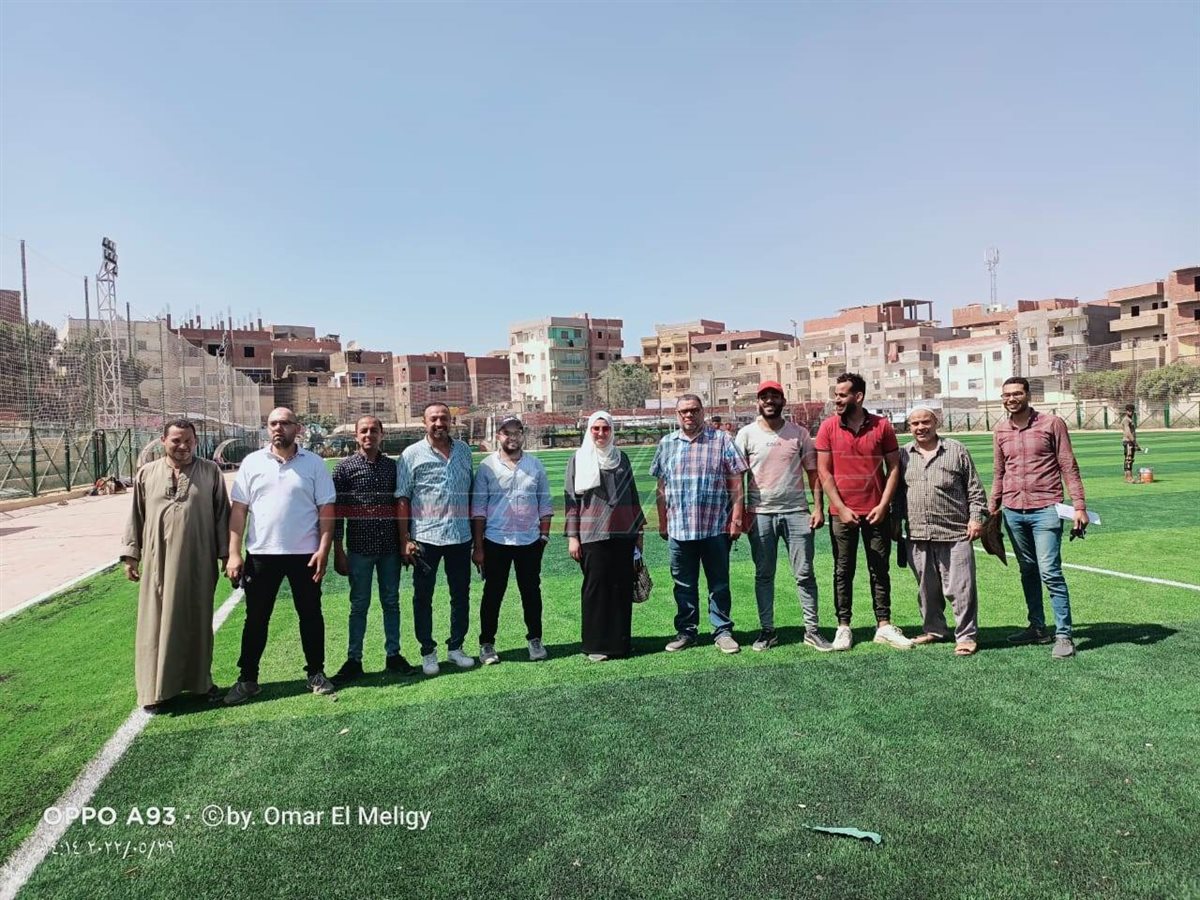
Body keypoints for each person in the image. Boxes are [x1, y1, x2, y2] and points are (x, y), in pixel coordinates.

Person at [224, 408, 338, 704]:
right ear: (267, 428)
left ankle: (316, 673)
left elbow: (326, 510)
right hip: (262, 554)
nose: (278, 428)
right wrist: (234, 553)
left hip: (305, 555)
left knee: (310, 615)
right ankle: (248, 679)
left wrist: (323, 549)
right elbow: (239, 511)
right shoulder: (252, 462)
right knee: (256, 618)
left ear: (297, 429)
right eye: (273, 423)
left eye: (285, 423)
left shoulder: (314, 464)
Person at [121, 420, 229, 712]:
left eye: (189, 441)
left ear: (196, 441)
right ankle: (155, 691)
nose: (183, 446)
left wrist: (227, 555)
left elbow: (223, 514)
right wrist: (131, 555)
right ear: (163, 441)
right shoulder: (147, 473)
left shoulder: (210, 471)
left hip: (199, 560)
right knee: (154, 623)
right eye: (176, 441)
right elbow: (136, 516)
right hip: (158, 562)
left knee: (198, 620)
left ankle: (200, 683)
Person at [991, 377, 1088, 659]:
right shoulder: (1000, 430)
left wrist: (1079, 506)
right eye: (1006, 395)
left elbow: (1068, 465)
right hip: (1012, 510)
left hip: (1046, 508)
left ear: (1028, 395)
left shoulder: (1052, 423)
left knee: (1050, 572)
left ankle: (1064, 635)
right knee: (1028, 570)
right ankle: (1037, 627)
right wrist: (993, 508)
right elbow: (999, 472)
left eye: (1017, 393)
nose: (1011, 399)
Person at [815, 373, 912, 651]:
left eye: (842, 394)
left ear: (858, 397)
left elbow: (894, 468)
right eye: (836, 394)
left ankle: (884, 625)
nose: (837, 399)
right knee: (843, 570)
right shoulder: (828, 427)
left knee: (879, 569)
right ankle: (843, 627)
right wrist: (841, 508)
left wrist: (884, 505)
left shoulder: (882, 426)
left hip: (876, 512)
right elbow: (824, 472)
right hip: (841, 513)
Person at [734, 381, 830, 652]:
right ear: (758, 402)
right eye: (764, 397)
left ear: (783, 401)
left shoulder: (799, 433)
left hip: (796, 513)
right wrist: (740, 512)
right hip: (760, 514)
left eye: (774, 396)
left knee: (805, 574)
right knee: (764, 575)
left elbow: (813, 473)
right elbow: (737, 477)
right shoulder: (746, 434)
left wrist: (818, 507)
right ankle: (768, 631)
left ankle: (812, 630)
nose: (769, 401)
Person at [650, 394, 748, 654]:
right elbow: (661, 487)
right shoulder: (667, 444)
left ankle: (723, 631)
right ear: (676, 415)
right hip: (679, 528)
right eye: (683, 411)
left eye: (693, 410)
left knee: (719, 583)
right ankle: (687, 631)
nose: (689, 415)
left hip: (714, 526)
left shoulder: (721, 440)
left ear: (702, 412)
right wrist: (662, 522)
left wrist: (737, 518)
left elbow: (736, 483)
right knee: (683, 585)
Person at [330, 415, 414, 685]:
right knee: (359, 605)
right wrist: (338, 550)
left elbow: (402, 505)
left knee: (391, 602)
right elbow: (337, 513)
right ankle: (354, 659)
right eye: (364, 431)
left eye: (374, 430)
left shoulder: (393, 467)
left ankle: (394, 654)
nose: (369, 435)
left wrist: (405, 541)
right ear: (356, 436)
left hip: (389, 548)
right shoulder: (344, 469)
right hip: (359, 549)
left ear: (382, 434)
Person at [396, 402, 476, 675]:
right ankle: (428, 651)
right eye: (433, 419)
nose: (439, 423)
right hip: (425, 538)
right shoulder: (411, 454)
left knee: (460, 595)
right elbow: (403, 498)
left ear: (450, 421)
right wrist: (405, 539)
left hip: (460, 536)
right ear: (424, 422)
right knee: (423, 597)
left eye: (444, 418)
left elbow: (471, 491)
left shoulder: (464, 450)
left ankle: (456, 647)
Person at [901, 406, 986, 656]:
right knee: (926, 589)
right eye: (915, 423)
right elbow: (896, 493)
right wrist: (895, 521)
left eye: (925, 422)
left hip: (955, 533)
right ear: (909, 427)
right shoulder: (903, 454)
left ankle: (966, 636)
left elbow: (975, 489)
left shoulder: (956, 450)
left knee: (961, 589)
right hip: (918, 533)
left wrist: (976, 519)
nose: (920, 427)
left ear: (936, 422)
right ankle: (934, 629)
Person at [470, 415, 553, 664]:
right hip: (496, 540)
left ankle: (535, 639)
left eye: (517, 432)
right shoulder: (487, 466)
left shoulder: (535, 465)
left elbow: (545, 504)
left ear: (522, 435)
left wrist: (544, 536)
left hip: (529, 540)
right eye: (507, 432)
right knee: (493, 593)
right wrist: (478, 546)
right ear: (499, 436)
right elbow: (478, 508)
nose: (512, 437)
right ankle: (486, 644)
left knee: (531, 592)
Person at [565, 411, 646, 661]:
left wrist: (639, 531)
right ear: (589, 430)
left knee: (621, 588)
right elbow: (571, 500)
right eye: (596, 428)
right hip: (592, 534)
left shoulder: (621, 458)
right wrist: (573, 537)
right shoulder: (578, 459)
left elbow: (632, 494)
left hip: (623, 533)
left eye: (606, 428)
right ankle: (596, 645)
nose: (601, 433)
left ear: (612, 430)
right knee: (596, 590)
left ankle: (620, 644)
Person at [1119, 404, 1141, 483]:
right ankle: (1129, 478)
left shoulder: (1129, 419)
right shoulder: (1126, 420)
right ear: (1126, 411)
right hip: (1128, 441)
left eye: (1132, 411)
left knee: (1130, 459)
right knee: (1129, 459)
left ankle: (1128, 477)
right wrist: (1135, 443)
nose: (1130, 412)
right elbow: (1128, 432)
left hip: (1130, 442)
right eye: (1129, 411)